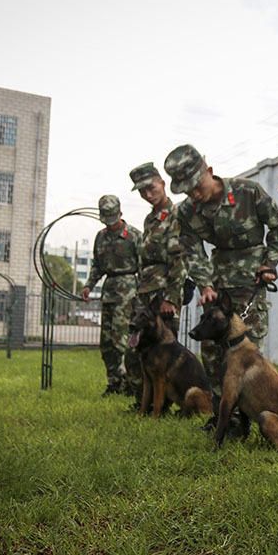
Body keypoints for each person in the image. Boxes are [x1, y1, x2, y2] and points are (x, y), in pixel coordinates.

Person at [165, 144, 278, 428]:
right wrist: (205, 284)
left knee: (248, 350)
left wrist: (269, 263)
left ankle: (251, 416)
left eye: (196, 185)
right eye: (187, 190)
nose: (194, 193)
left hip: (252, 282)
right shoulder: (187, 211)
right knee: (211, 351)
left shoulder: (247, 192)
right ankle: (225, 417)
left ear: (208, 171)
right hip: (217, 287)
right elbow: (192, 249)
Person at [125, 162, 190, 399]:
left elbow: (179, 259)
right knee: (140, 349)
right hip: (146, 292)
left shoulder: (177, 215)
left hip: (164, 294)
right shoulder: (150, 220)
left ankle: (163, 403)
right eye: (142, 192)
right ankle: (144, 400)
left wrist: (172, 297)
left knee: (163, 352)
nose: (148, 195)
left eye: (151, 188)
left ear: (163, 183)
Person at [81, 194, 142, 396]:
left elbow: (144, 267)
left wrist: (142, 297)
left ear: (120, 214)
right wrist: (89, 285)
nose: (110, 224)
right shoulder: (101, 236)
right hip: (109, 290)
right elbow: (97, 265)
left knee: (121, 340)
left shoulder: (134, 236)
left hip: (128, 291)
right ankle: (114, 383)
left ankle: (132, 385)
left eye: (113, 219)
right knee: (106, 342)